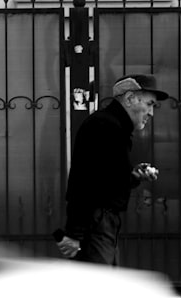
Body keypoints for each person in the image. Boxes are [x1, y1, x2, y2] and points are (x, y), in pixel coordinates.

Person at [55, 73, 169, 265]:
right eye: (149, 104)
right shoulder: (106, 127)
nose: (151, 113)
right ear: (130, 98)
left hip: (101, 224)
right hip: (96, 224)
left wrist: (134, 175)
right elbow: (85, 182)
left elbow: (109, 180)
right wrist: (74, 233)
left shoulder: (114, 127)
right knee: (99, 289)